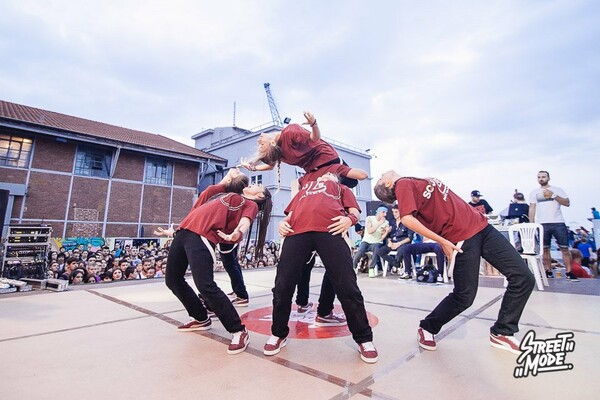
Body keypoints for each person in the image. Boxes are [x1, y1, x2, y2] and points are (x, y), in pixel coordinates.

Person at [374, 171, 535, 355]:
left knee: (524, 277)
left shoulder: (411, 181)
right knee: (464, 296)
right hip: (463, 237)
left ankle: (503, 331)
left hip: (482, 227)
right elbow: (407, 219)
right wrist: (442, 241)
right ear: (387, 184)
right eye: (380, 178)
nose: (381, 174)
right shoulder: (402, 184)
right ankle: (427, 327)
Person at [268, 172, 378, 363]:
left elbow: (355, 212)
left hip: (331, 230)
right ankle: (278, 333)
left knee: (347, 286)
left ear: (336, 179)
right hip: (298, 233)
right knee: (282, 285)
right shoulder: (304, 191)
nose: (326, 174)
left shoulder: (340, 189)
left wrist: (349, 220)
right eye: (323, 173)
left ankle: (364, 338)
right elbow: (290, 216)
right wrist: (282, 223)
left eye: (331, 173)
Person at [165, 167, 272, 355]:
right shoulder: (228, 194)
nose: (254, 184)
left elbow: (245, 221)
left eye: (258, 185)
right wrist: (227, 178)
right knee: (172, 279)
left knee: (205, 285)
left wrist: (238, 233)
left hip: (202, 235)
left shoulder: (248, 203)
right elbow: (207, 194)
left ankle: (238, 330)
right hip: (184, 232)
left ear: (260, 196)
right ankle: (200, 317)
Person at [241, 111, 367, 188]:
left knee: (299, 185)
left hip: (321, 162)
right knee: (301, 186)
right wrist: (314, 124)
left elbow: (315, 138)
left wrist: (314, 124)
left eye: (260, 143)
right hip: (324, 163)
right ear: (272, 143)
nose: (259, 140)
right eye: (261, 144)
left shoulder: (287, 137)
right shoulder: (285, 140)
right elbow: (315, 138)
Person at [528, 171, 576, 281]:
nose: (541, 179)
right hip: (542, 223)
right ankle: (548, 271)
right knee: (545, 249)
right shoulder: (534, 193)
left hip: (558, 222)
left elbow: (567, 203)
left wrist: (553, 195)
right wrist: (532, 223)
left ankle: (569, 272)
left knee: (564, 248)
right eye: (539, 177)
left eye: (543, 177)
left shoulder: (558, 190)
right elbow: (532, 208)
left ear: (548, 178)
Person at [352, 206, 391, 277]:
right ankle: (353, 267)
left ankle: (371, 268)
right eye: (383, 212)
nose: (385, 214)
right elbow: (370, 231)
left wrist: (386, 232)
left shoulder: (386, 222)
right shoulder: (369, 218)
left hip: (376, 242)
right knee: (360, 250)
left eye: (386, 213)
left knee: (377, 249)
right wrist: (379, 223)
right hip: (366, 241)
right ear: (378, 212)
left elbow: (381, 238)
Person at [375, 205, 414, 274]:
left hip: (403, 243)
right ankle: (396, 264)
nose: (394, 214)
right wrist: (389, 242)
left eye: (396, 212)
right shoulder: (391, 222)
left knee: (401, 251)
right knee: (379, 251)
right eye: (393, 212)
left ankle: (397, 265)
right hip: (393, 243)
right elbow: (389, 236)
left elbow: (410, 238)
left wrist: (398, 244)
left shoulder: (407, 222)